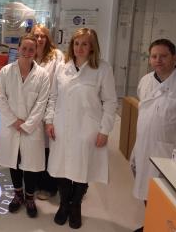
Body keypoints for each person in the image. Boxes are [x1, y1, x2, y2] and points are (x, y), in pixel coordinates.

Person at [44, 28, 117, 229]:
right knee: (62, 169)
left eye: (85, 43)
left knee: (82, 168)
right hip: (62, 125)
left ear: (93, 46)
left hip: (88, 128)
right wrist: (49, 120)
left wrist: (105, 130)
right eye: (76, 43)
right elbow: (53, 97)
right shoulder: (62, 68)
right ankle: (64, 204)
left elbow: (110, 102)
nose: (80, 48)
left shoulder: (102, 69)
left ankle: (76, 205)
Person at [130, 39, 176, 232]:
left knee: (166, 195)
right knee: (144, 189)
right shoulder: (145, 81)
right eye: (154, 56)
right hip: (143, 146)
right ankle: (152, 223)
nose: (158, 60)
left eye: (164, 56)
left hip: (169, 152)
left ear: (174, 58)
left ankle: (159, 225)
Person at [0, 34, 50, 218]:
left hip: (31, 128)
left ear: (36, 52)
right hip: (11, 126)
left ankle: (30, 197)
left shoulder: (42, 75)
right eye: (24, 48)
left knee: (31, 165)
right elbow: (0, 98)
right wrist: (14, 121)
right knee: (14, 161)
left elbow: (42, 103)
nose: (27, 52)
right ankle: (18, 194)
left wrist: (27, 124)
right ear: (18, 49)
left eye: (31, 49)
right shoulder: (6, 72)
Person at [31, 24, 64, 201]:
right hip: (33, 108)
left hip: (51, 107)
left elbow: (61, 81)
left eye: (43, 36)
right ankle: (36, 182)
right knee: (36, 147)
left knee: (50, 148)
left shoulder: (56, 56)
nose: (39, 39)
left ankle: (50, 186)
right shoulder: (30, 55)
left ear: (48, 38)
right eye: (36, 36)